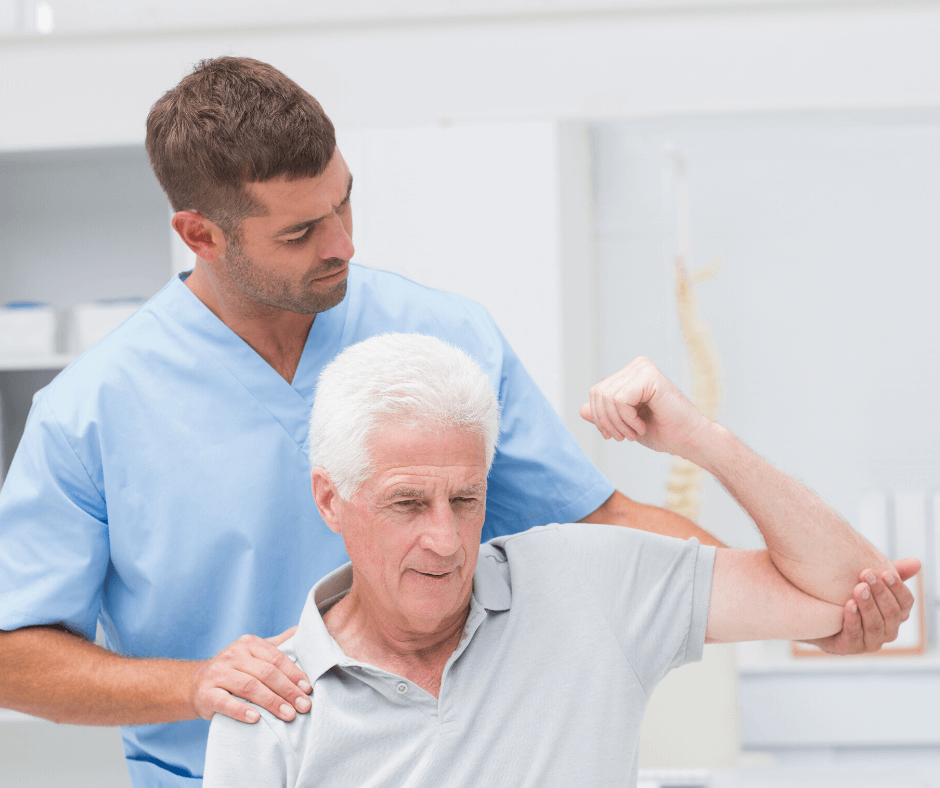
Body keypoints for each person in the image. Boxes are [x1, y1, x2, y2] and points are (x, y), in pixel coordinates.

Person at [0, 57, 913, 787]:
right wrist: (197, 687)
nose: (344, 244)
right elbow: (13, 655)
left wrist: (780, 602)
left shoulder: (441, 334)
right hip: (222, 765)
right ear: (201, 234)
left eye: (345, 201)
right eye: (300, 233)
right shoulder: (94, 412)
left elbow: (600, 529)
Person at [202, 333, 920, 787]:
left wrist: (699, 438)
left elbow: (844, 588)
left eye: (466, 497)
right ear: (331, 501)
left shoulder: (587, 581)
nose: (447, 541)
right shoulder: (267, 707)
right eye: (406, 504)